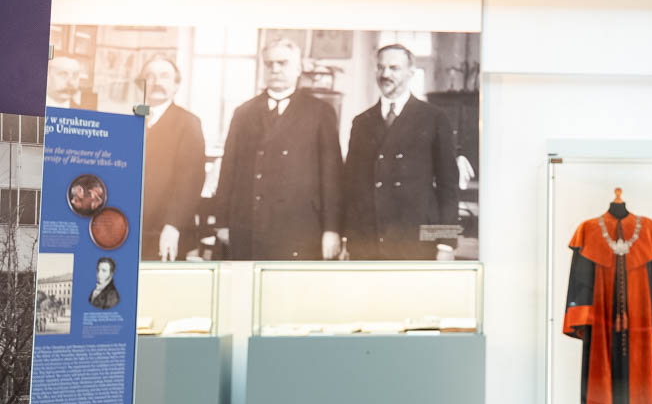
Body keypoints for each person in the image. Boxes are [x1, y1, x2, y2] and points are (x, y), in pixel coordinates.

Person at [214, 38, 342, 260]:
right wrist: (222, 223)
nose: (275, 69)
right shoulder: (244, 113)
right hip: (248, 224)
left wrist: (332, 229)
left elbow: (332, 177)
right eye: (269, 64)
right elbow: (228, 171)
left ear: (298, 68)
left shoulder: (319, 112)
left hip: (299, 227)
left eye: (282, 63)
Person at [342, 44, 459, 259]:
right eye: (380, 67)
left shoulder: (434, 118)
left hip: (416, 239)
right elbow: (350, 186)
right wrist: (346, 238)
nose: (385, 74)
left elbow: (448, 186)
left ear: (411, 72)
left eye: (394, 68)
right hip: (368, 240)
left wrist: (446, 244)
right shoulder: (361, 122)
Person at [139, 56, 206, 261]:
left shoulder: (188, 123)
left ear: (176, 85)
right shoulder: (128, 119)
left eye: (164, 76)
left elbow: (191, 181)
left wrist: (173, 225)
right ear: (141, 84)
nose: (157, 82)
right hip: (132, 227)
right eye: (150, 76)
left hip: (167, 230)